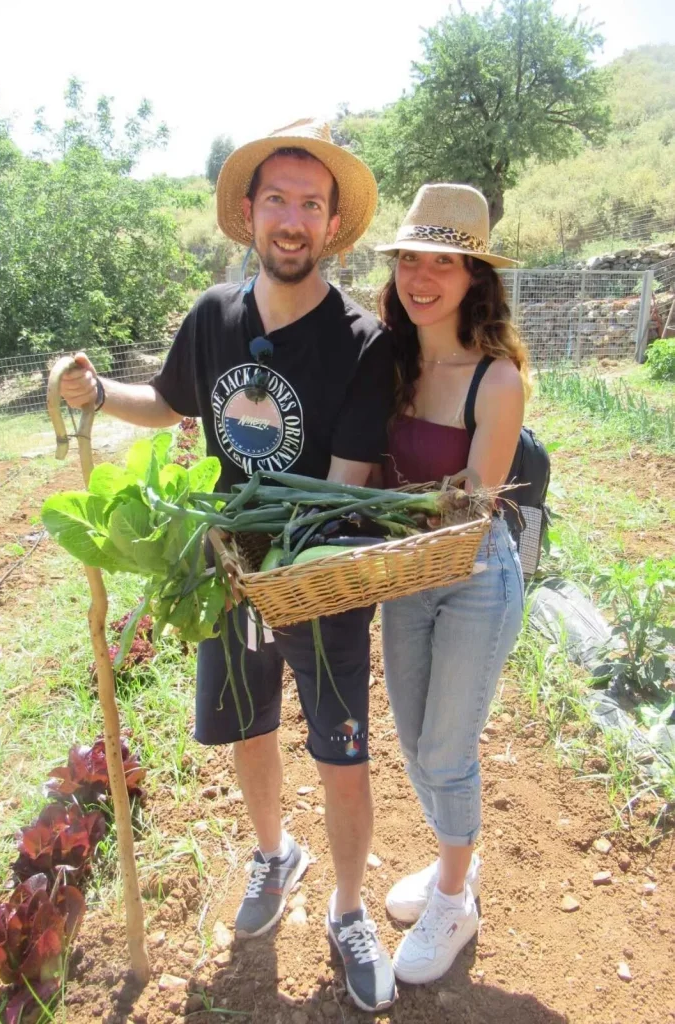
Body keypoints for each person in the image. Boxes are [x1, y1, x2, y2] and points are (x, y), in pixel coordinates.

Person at [60, 118, 397, 1013]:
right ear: (248, 214)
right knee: (250, 729)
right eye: (277, 200)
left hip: (320, 578)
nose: (293, 220)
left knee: (342, 752)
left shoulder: (365, 342)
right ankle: (274, 854)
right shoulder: (214, 315)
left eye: (311, 205)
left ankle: (349, 907)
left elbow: (341, 488)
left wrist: (276, 568)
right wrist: (97, 394)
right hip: (228, 574)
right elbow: (167, 401)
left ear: (332, 225)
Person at [374, 183, 528, 985]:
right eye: (410, 259)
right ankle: (448, 866)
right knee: (411, 738)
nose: (422, 276)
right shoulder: (389, 359)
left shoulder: (496, 380)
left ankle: (455, 896)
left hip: (472, 576)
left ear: (474, 275)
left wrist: (372, 511)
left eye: (444, 260)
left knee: (445, 745)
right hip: (407, 577)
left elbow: (469, 506)